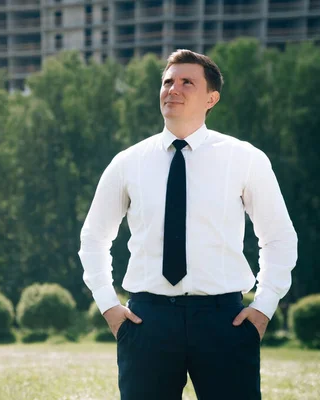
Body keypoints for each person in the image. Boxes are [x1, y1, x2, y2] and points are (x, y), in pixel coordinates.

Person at [78, 49, 297, 400]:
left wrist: (264, 307)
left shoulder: (245, 159)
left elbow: (279, 237)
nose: (172, 89)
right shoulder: (127, 162)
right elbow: (93, 238)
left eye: (186, 83)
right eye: (167, 82)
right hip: (147, 321)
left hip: (225, 321)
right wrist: (108, 305)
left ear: (212, 98)